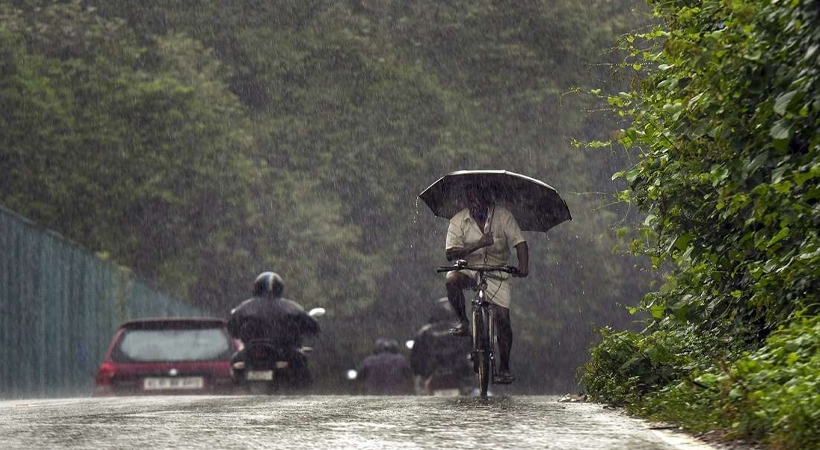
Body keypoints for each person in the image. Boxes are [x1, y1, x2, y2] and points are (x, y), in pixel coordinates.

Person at [444, 188, 528, 384]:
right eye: (472, 202)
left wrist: (523, 266)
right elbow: (450, 254)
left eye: (480, 202)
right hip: (470, 269)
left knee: (503, 319)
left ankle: (504, 367)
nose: (476, 206)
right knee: (451, 280)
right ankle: (464, 322)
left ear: (488, 201)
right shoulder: (458, 220)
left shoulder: (503, 216)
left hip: (498, 271)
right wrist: (478, 244)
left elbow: (520, 243)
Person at [227, 272, 320, 385]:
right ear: (279, 288)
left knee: (235, 362)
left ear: (257, 287)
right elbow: (312, 326)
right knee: (302, 365)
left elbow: (232, 328)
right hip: (283, 350)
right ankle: (301, 392)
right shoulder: (291, 307)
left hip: (252, 352)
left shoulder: (244, 307)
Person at [410, 298, 473, 395]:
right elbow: (472, 354)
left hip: (432, 375)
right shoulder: (463, 331)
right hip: (459, 375)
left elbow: (415, 359)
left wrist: (421, 372)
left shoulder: (424, 333)